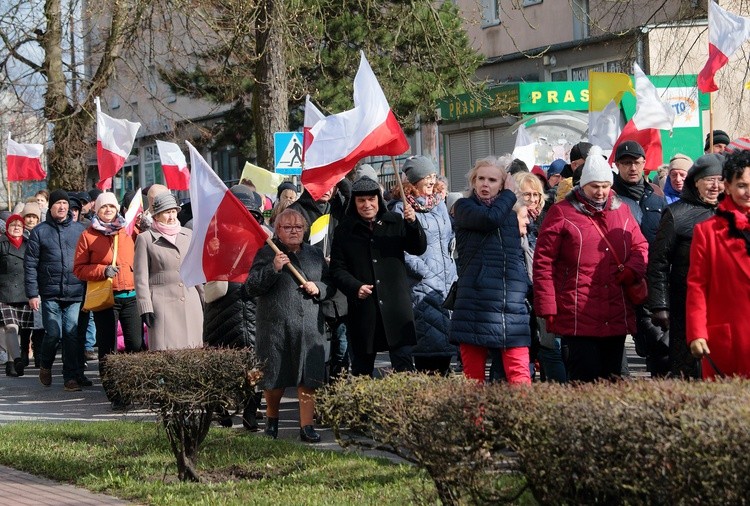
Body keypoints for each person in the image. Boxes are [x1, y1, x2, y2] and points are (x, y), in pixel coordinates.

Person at [533, 146, 649, 382]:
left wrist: (633, 270)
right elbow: (544, 263)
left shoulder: (623, 211)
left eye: (605, 186)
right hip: (577, 312)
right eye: (594, 186)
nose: (600, 192)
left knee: (613, 380)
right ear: (582, 185)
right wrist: (547, 308)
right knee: (583, 379)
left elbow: (641, 247)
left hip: (615, 309)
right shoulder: (561, 213)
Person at [245, 209, 335, 443]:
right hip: (275, 328)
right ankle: (272, 421)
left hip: (309, 327)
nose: (293, 231)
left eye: (298, 227)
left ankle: (307, 426)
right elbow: (251, 287)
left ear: (305, 230)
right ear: (277, 230)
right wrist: (273, 268)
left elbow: (330, 285)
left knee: (309, 378)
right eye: (287, 227)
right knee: (274, 379)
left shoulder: (315, 255)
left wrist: (319, 288)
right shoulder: (266, 253)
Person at [330, 176, 426, 377]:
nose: (367, 205)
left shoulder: (395, 221)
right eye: (361, 200)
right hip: (364, 311)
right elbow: (337, 269)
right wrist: (355, 287)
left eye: (371, 199)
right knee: (362, 371)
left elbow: (418, 247)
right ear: (354, 202)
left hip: (396, 310)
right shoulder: (344, 231)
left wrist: (413, 223)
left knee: (404, 369)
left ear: (379, 200)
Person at [449, 155, 531, 384]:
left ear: (502, 183)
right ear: (473, 182)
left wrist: (522, 287)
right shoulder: (463, 207)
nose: (485, 184)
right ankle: (475, 422)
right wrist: (509, 194)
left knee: (520, 375)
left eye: (492, 180)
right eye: (481, 178)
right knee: (473, 380)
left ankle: (524, 421)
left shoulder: (511, 213)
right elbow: (489, 219)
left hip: (509, 304)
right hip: (474, 302)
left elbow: (516, 255)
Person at [647, 154, 724, 379]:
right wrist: (660, 305)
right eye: (709, 179)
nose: (715, 186)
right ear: (695, 181)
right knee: (688, 368)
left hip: (724, 304)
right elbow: (658, 262)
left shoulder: (732, 213)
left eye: (720, 179)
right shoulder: (676, 214)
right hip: (685, 304)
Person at [203, 185, 269, 430]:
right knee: (252, 365)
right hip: (249, 305)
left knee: (219, 361)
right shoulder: (261, 236)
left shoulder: (214, 234)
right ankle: (250, 412)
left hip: (219, 305)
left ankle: (220, 407)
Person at [74, 192, 142, 404]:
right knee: (108, 346)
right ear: (97, 210)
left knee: (135, 343)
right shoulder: (88, 235)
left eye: (112, 207)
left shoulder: (128, 230)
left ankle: (131, 385)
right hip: (106, 298)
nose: (108, 211)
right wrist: (102, 270)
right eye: (104, 207)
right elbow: (79, 269)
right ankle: (114, 392)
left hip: (130, 295)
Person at [687, 149, 750, 379]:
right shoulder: (707, 231)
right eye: (742, 185)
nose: (748, 192)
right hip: (730, 341)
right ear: (728, 185)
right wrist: (696, 332)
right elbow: (697, 286)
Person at [392, 156, 457, 375]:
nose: (431, 180)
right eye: (425, 176)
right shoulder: (402, 209)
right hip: (422, 283)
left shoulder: (439, 205)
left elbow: (448, 237)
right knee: (428, 347)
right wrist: (426, 274)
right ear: (413, 181)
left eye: (432, 176)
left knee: (447, 344)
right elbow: (401, 249)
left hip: (447, 282)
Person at [612, 140, 669, 377]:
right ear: (616, 166)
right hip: (618, 283)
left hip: (650, 284)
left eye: (636, 162)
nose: (632, 168)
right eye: (626, 163)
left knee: (659, 346)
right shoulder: (610, 198)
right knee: (614, 351)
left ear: (644, 164)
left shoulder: (656, 197)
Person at [24, 189, 88, 391]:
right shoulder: (40, 231)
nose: (62, 207)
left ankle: (70, 377)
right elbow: (31, 264)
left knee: (70, 334)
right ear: (50, 207)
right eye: (58, 203)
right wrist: (33, 294)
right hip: (50, 292)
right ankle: (45, 364)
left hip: (75, 292)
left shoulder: (79, 230)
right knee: (53, 333)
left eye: (65, 203)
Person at [288, 180, 351, 380]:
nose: (327, 189)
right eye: (322, 183)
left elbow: (353, 198)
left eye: (332, 184)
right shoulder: (296, 211)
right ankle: (316, 392)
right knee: (316, 349)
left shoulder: (339, 208)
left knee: (342, 344)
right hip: (310, 289)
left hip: (339, 290)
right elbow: (286, 249)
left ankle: (337, 388)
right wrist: (313, 260)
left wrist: (339, 174)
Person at [134, 192, 203, 350]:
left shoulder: (188, 235)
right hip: (162, 304)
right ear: (156, 216)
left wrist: (203, 298)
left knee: (193, 353)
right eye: (167, 212)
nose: (171, 216)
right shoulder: (145, 239)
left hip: (190, 300)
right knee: (166, 354)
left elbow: (196, 271)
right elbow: (140, 278)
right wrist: (145, 307)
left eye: (173, 211)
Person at [0, 215, 34, 377]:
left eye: (19, 225)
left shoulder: (29, 245)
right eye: (13, 225)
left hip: (25, 293)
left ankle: (13, 362)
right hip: (4, 293)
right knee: (11, 328)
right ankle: (17, 359)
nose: (16, 228)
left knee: (22, 330)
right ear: (7, 228)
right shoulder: (1, 244)